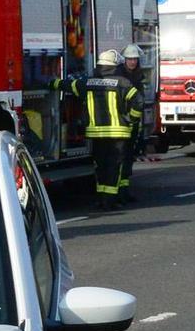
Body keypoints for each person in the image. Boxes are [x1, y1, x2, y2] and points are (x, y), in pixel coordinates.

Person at [53, 49, 142, 212]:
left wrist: (52, 83)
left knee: (100, 166)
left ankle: (102, 199)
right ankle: (110, 200)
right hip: (119, 133)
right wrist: (132, 119)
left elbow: (69, 85)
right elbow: (138, 102)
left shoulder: (88, 82)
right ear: (115, 65)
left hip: (97, 134)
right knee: (114, 166)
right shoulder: (123, 82)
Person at [118, 44, 147, 203]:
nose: (133, 62)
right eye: (130, 59)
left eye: (135, 59)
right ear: (124, 60)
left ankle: (125, 189)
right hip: (123, 122)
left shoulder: (138, 76)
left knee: (129, 157)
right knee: (121, 157)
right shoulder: (121, 77)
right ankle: (120, 192)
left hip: (134, 123)